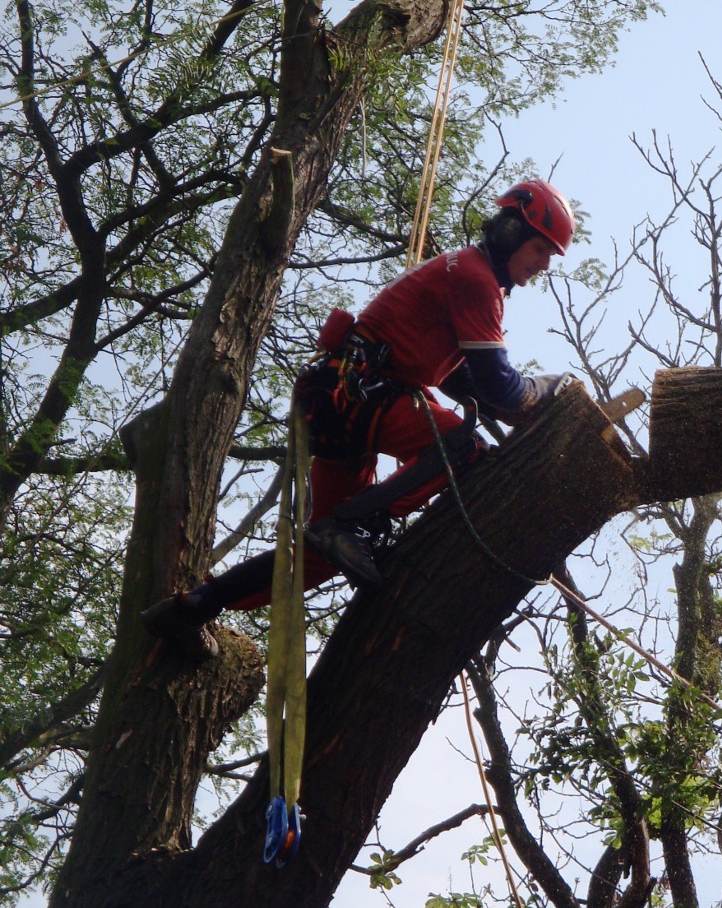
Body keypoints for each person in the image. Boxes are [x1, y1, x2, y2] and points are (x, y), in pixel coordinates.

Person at [142, 179, 577, 660]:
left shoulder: (463, 272)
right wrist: (543, 389)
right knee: (462, 448)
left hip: (343, 402)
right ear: (512, 231)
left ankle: (195, 605)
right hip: (365, 398)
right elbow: (499, 387)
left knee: (321, 557)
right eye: (541, 249)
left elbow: (467, 383)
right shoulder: (475, 278)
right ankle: (354, 524)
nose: (543, 264)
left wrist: (521, 407)